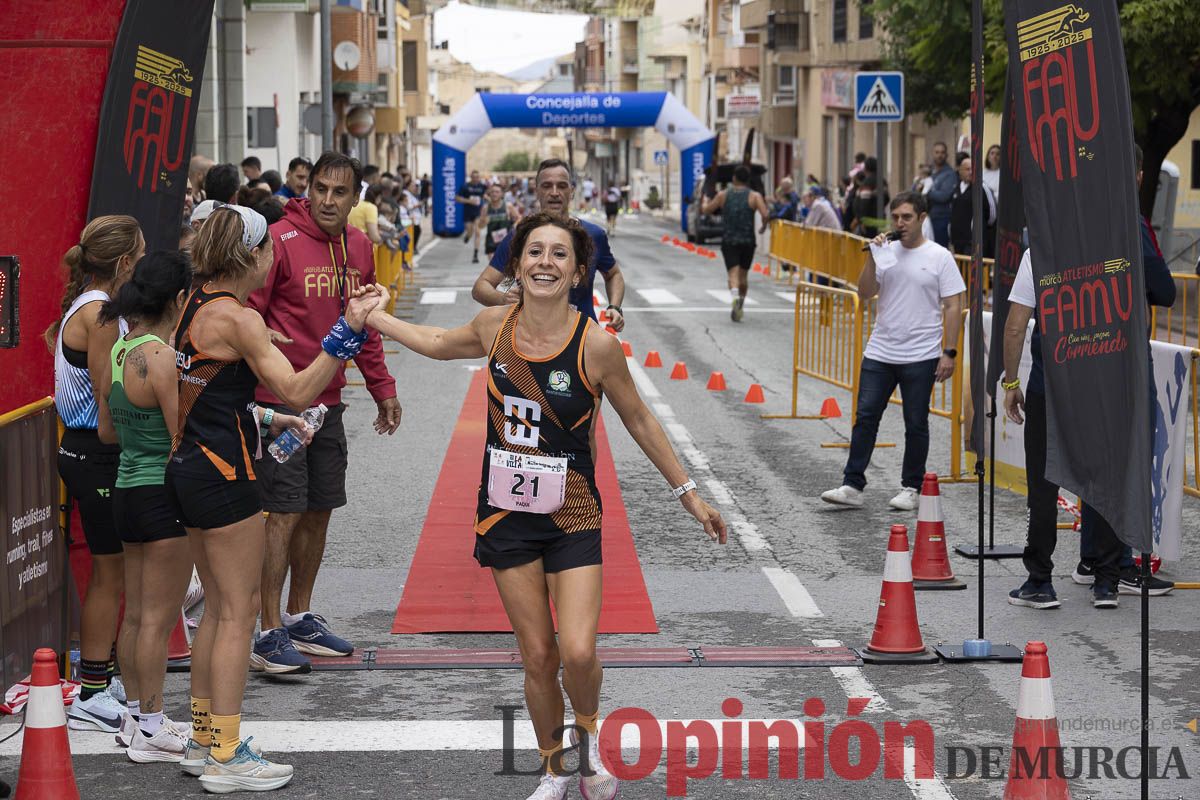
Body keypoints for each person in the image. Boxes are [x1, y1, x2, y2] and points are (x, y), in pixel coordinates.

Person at [361, 212, 727, 800]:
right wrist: (374, 317)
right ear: (517, 265)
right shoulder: (492, 326)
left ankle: (587, 743)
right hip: (506, 514)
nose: (545, 263)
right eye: (534, 252)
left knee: (578, 650)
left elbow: (638, 418)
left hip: (573, 514)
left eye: (560, 255)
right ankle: (554, 767)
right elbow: (433, 342)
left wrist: (690, 494)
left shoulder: (597, 344)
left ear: (579, 272)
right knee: (537, 654)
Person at [168, 205, 385, 790]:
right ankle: (227, 755)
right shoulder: (237, 318)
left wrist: (259, 416)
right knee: (238, 614)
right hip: (223, 473)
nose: (274, 259)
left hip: (190, 465)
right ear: (252, 255)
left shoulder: (195, 302)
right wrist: (346, 333)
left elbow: (215, 392)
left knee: (216, 610)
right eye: (268, 250)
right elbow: (296, 387)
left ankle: (204, 739)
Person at [247, 152, 401, 675]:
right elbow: (247, 309)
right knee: (283, 514)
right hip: (280, 404)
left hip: (328, 406)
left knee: (318, 510)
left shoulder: (359, 244)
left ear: (355, 198)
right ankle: (266, 631)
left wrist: (382, 387)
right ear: (307, 188)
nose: (329, 200)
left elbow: (366, 322)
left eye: (340, 192)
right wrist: (257, 339)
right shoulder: (277, 238)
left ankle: (297, 617)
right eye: (321, 189)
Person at [98, 252, 215, 761]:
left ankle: (132, 719)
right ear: (179, 298)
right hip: (162, 495)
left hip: (125, 489)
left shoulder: (119, 348)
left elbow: (106, 431)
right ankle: (150, 724)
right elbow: (181, 437)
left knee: (134, 616)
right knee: (158, 618)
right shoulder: (162, 358)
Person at [51, 215, 145, 733]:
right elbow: (111, 395)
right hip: (97, 449)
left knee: (116, 573)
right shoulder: (101, 314)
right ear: (126, 262)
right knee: (111, 574)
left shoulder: (90, 306)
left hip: (89, 448)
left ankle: (99, 677)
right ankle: (91, 688)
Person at [821, 192, 965, 511]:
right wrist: (872, 256)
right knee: (866, 417)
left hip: (921, 352)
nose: (900, 223)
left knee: (916, 422)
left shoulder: (939, 256)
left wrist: (949, 352)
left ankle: (910, 487)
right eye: (896, 217)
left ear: (922, 218)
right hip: (881, 350)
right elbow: (865, 292)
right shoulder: (886, 253)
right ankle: (852, 484)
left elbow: (955, 304)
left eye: (907, 217)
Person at [472, 159, 626, 333]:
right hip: (530, 341)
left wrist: (615, 306)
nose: (554, 192)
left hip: (583, 340)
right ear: (537, 191)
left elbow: (613, 274)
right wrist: (503, 299)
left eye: (561, 186)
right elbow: (480, 287)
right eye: (546, 186)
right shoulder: (521, 236)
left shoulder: (593, 235)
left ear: (572, 191)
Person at [1001, 249, 1063, 609]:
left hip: (1048, 384)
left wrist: (1011, 385)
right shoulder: (1112, 236)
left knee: (1042, 483)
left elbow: (1015, 325)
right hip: (1100, 382)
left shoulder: (1039, 249)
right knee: (1102, 473)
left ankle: (1040, 579)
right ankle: (1106, 578)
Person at [701, 165, 770, 323]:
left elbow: (708, 210)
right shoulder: (754, 196)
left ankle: (733, 297)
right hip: (748, 241)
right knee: (743, 276)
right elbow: (765, 214)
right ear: (748, 180)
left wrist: (704, 202)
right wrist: (763, 227)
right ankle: (741, 302)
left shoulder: (723, 195)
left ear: (734, 178)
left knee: (733, 273)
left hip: (729, 240)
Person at [948, 157, 997, 257]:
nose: (971, 172)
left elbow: (992, 215)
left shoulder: (982, 187)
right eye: (967, 169)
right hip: (957, 241)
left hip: (973, 242)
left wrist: (978, 227)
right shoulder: (956, 188)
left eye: (973, 169)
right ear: (960, 171)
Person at [926, 143, 956, 248]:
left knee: (939, 250)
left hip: (942, 219)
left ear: (946, 155)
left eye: (942, 152)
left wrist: (927, 191)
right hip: (929, 218)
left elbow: (944, 196)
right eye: (937, 152)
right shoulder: (931, 172)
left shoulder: (950, 174)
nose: (940, 155)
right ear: (933, 154)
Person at [455, 170, 488, 262]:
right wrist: (469, 201)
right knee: (470, 231)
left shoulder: (482, 186)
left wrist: (487, 199)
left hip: (478, 213)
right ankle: (468, 236)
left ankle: (475, 255)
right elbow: (457, 198)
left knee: (477, 232)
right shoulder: (465, 186)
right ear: (471, 177)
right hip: (468, 212)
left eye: (477, 177)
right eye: (474, 177)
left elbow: (485, 195)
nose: (476, 179)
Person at [482, 183, 518, 261]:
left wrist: (515, 226)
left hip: (506, 240)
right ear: (489, 194)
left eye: (497, 192)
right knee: (493, 265)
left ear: (502, 194)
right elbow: (480, 226)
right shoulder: (486, 208)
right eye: (492, 192)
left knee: (506, 267)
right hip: (491, 240)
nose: (494, 194)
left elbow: (518, 218)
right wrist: (484, 222)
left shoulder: (508, 206)